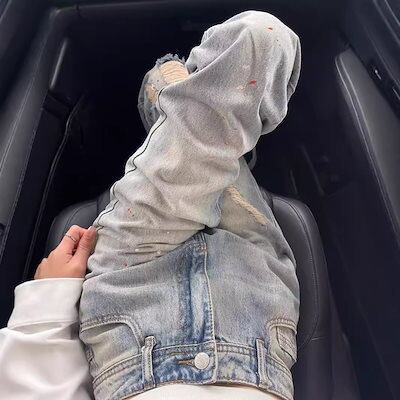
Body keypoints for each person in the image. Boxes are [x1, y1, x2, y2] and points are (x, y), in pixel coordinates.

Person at [0, 10, 301, 400]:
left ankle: (171, 107)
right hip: (253, 309)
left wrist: (46, 306)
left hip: (133, 293)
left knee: (258, 39)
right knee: (259, 39)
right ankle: (175, 111)